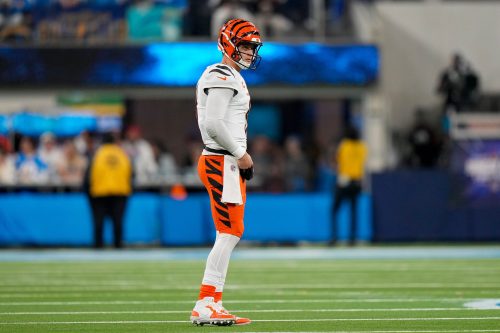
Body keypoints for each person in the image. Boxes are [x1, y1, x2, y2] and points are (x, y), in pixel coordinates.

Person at [190, 18, 263, 326]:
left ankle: (212, 301)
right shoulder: (220, 73)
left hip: (226, 161)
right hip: (222, 161)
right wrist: (241, 154)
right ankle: (206, 302)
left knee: (229, 231)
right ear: (229, 43)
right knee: (230, 231)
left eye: (251, 47)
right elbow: (213, 124)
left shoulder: (229, 75)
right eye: (245, 45)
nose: (249, 52)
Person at [84, 133, 132, 249]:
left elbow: (88, 176)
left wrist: (88, 192)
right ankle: (118, 245)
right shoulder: (122, 154)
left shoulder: (97, 155)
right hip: (120, 192)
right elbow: (131, 174)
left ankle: (98, 245)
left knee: (98, 221)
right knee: (118, 221)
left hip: (99, 193)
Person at [331, 126, 367, 246]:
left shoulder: (344, 145)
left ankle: (335, 237)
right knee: (353, 211)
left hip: (344, 181)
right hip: (356, 181)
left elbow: (337, 160)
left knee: (335, 210)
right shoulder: (362, 147)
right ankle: (352, 238)